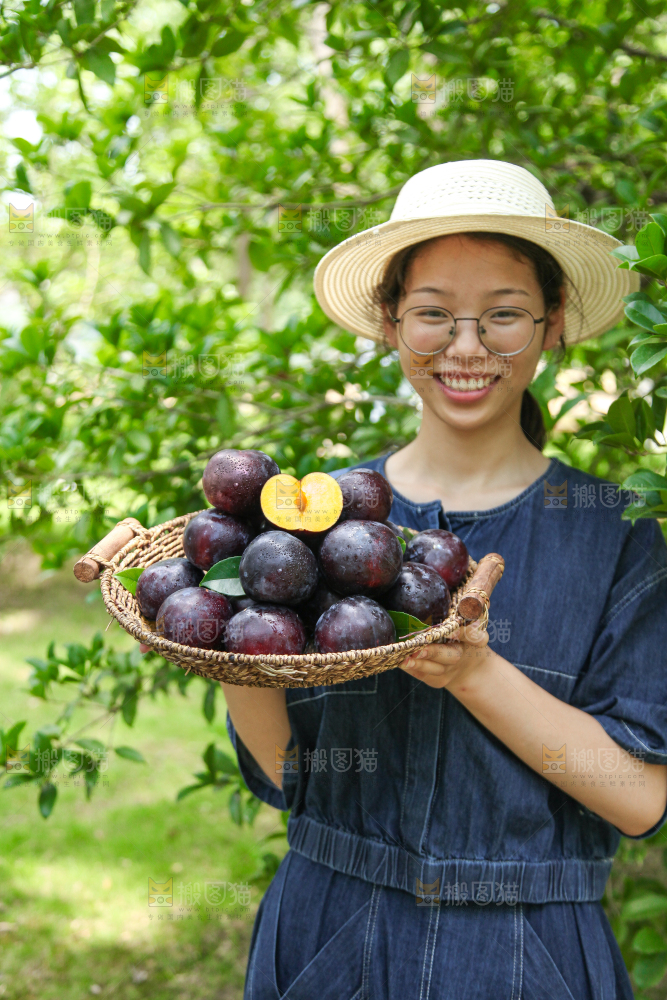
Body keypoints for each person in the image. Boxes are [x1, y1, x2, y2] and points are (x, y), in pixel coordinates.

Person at [223, 160, 667, 999]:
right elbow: (291, 778)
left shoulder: (615, 536)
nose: (466, 347)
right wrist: (224, 639)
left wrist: (474, 673)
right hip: (330, 928)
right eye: (433, 315)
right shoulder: (308, 519)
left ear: (553, 324)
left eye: (502, 316)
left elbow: (639, 799)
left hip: (526, 949)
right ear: (390, 324)